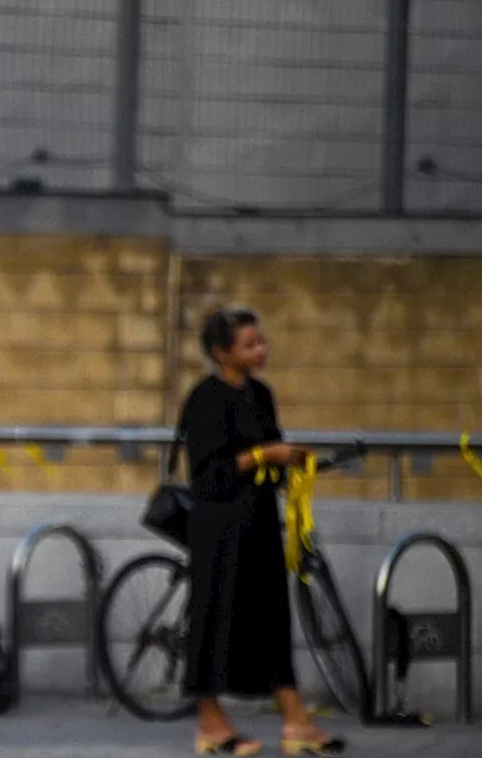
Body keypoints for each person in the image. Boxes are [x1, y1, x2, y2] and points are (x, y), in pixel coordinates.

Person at [179, 307, 345, 757]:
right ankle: (211, 722)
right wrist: (262, 455)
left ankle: (295, 720)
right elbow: (208, 475)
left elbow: (270, 449)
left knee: (271, 617)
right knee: (214, 621)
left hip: (258, 524)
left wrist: (290, 459)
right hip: (218, 528)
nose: (261, 350)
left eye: (261, 341)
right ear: (221, 352)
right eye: (249, 344)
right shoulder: (205, 399)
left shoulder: (261, 394)